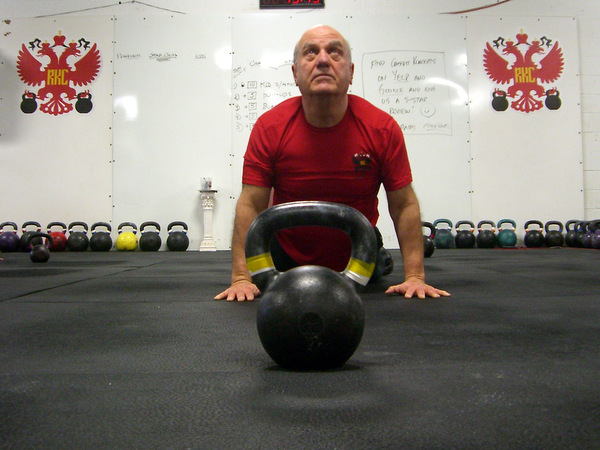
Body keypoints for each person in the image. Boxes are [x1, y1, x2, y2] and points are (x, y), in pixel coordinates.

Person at [215, 25, 450, 302]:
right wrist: (241, 278)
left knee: (375, 266)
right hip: (284, 257)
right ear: (295, 74)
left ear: (351, 72)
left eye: (334, 52)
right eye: (311, 52)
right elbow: (251, 204)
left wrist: (415, 277)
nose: (323, 60)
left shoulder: (381, 128)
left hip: (358, 257)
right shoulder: (270, 127)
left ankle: (379, 258)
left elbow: (403, 203)